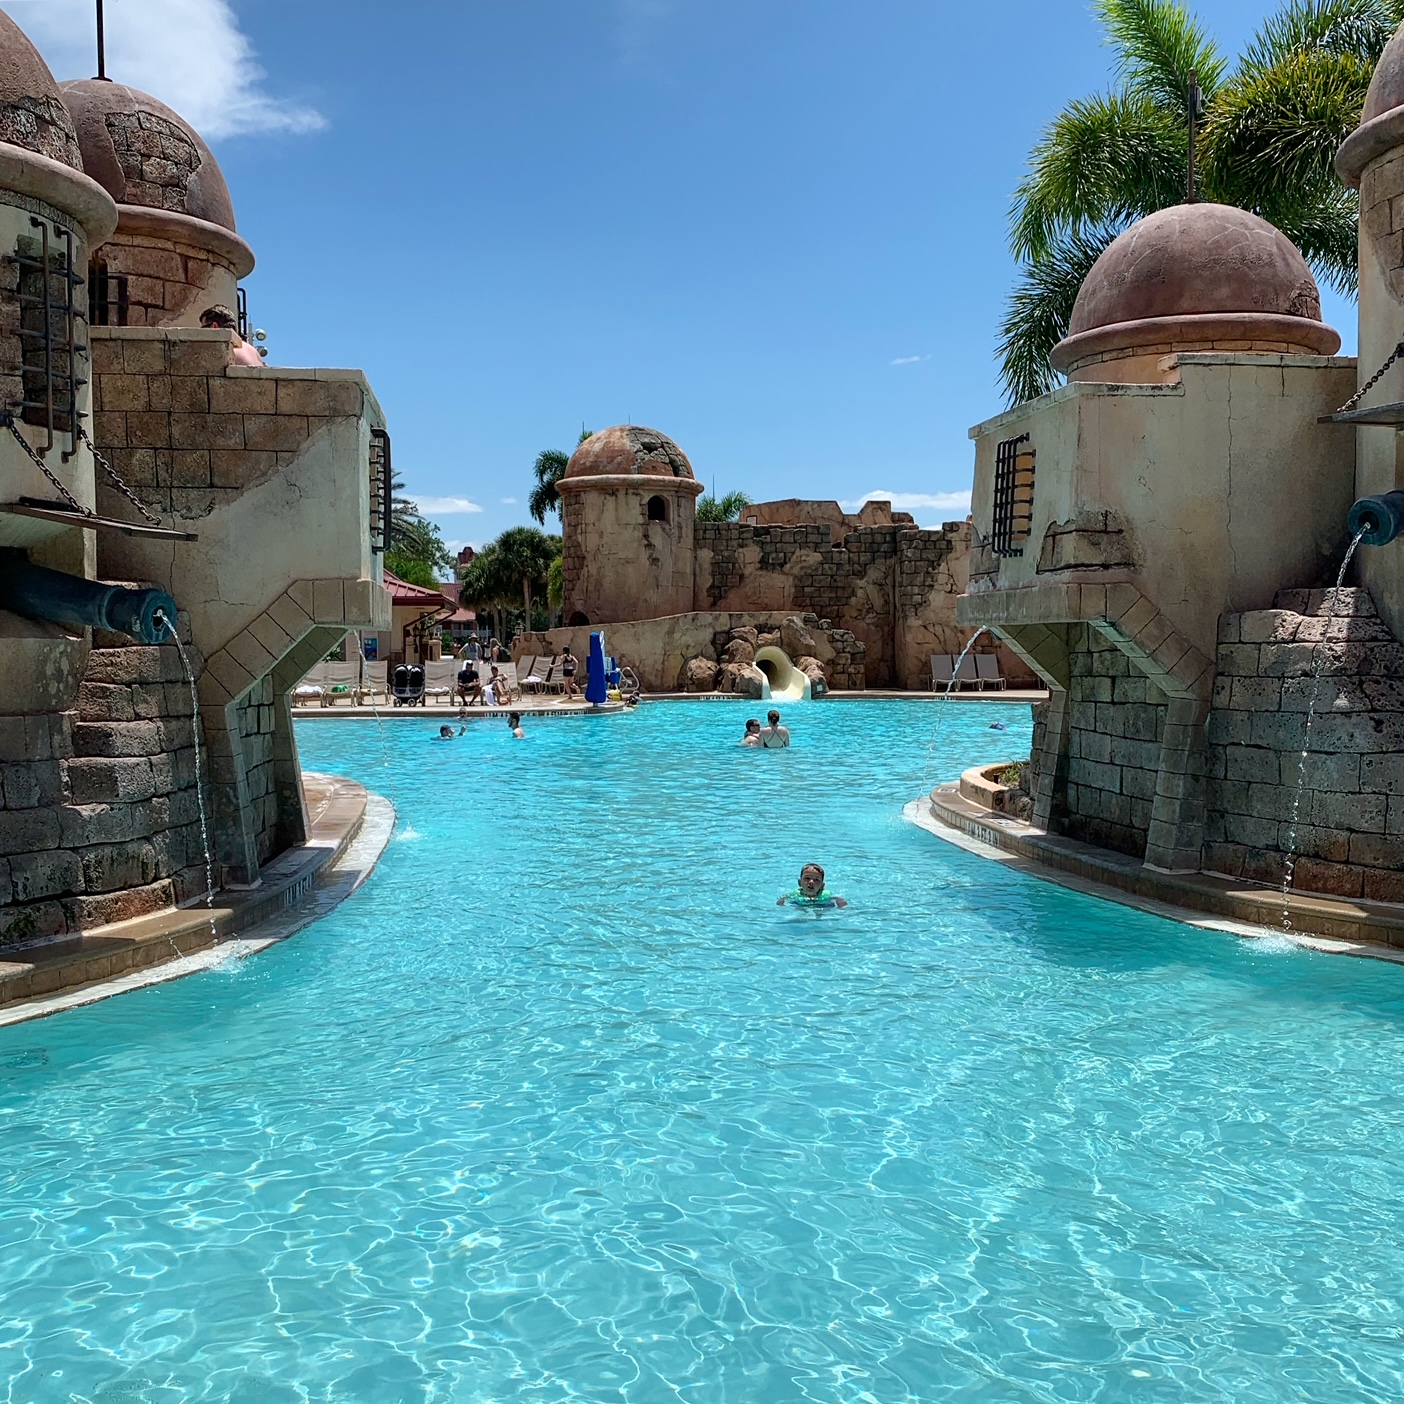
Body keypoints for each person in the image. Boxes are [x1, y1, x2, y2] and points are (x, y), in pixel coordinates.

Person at [777, 863, 847, 909]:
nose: (811, 882)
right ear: (799, 882)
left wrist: (841, 907)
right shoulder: (795, 894)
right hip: (800, 905)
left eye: (816, 880)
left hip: (821, 905)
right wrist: (781, 905)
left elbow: (838, 899)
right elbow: (783, 899)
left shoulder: (825, 895)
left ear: (822, 886)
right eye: (807, 878)